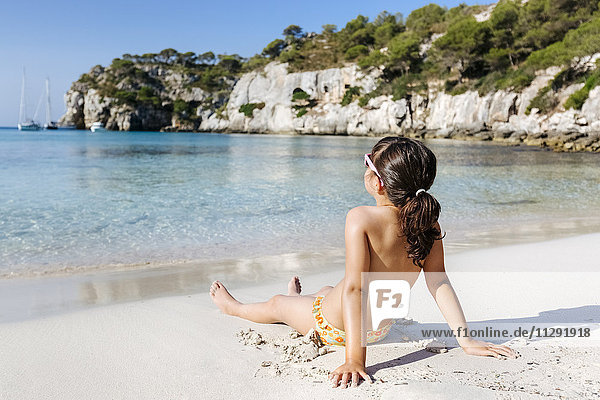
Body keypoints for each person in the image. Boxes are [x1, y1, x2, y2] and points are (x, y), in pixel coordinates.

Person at [209, 136, 517, 389]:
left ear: (378, 183)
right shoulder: (427, 222)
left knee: (278, 303)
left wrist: (355, 359)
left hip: (336, 328)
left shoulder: (361, 218)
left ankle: (235, 307)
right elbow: (438, 281)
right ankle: (299, 301)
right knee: (330, 289)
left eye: (367, 163)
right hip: (381, 327)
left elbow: (356, 291)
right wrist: (466, 340)